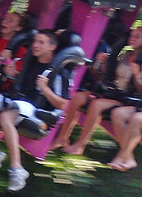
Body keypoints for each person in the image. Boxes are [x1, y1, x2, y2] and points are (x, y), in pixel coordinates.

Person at [0, 29, 70, 192]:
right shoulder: (30, 61)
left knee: (6, 117)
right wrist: (12, 73)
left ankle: (17, 168)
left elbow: (62, 104)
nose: (35, 45)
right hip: (17, 101)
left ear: (52, 47)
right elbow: (18, 81)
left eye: (41, 42)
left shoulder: (59, 72)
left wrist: (45, 88)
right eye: (35, 42)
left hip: (37, 111)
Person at [60, 25, 142, 160]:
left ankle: (81, 144)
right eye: (132, 35)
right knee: (78, 97)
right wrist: (101, 64)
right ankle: (63, 137)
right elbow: (105, 78)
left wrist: (136, 75)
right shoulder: (125, 55)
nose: (132, 39)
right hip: (113, 93)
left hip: (128, 100)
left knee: (96, 105)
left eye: (137, 37)